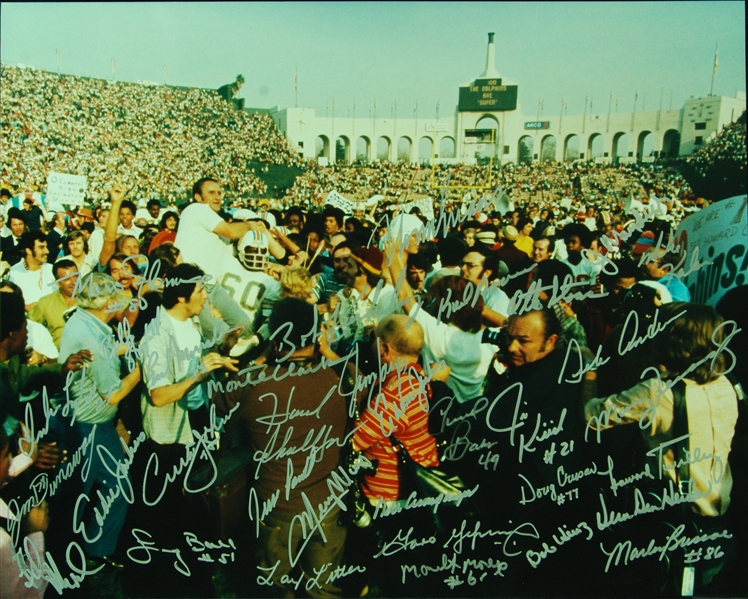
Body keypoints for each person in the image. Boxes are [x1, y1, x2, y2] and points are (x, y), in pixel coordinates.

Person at [215, 298, 353, 598]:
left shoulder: (253, 384)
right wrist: (326, 351)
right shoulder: (338, 379)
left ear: (276, 341)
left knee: (274, 588)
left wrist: (257, 359)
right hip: (328, 503)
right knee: (324, 590)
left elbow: (219, 402)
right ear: (316, 337)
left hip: (276, 506)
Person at [58, 272, 142, 565]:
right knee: (114, 487)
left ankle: (75, 549)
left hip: (79, 421)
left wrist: (133, 346)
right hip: (91, 426)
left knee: (82, 492)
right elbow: (113, 394)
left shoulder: (82, 320)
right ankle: (88, 551)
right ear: (106, 303)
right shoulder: (93, 337)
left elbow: (106, 349)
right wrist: (141, 369)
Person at [0, 425, 50, 599]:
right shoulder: (1, 543)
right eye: (7, 455)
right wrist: (35, 534)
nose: (11, 459)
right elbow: (30, 594)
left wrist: (28, 458)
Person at [29, 259, 79, 348]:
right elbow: (30, 329)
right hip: (59, 359)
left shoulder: (92, 299)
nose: (74, 282)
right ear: (57, 283)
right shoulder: (45, 303)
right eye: (67, 279)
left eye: (75, 276)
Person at [7, 231, 56, 311]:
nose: (47, 251)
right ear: (28, 251)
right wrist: (24, 307)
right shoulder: (14, 274)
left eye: (46, 247)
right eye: (41, 247)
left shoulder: (52, 270)